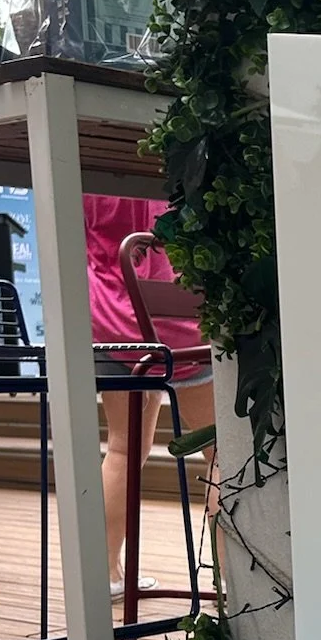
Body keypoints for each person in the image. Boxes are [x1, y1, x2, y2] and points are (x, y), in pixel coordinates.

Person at [85, 195, 216, 598]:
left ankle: (105, 575)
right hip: (175, 322)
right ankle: (233, 580)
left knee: (123, 450)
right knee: (221, 453)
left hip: (107, 318)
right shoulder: (170, 162)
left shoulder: (87, 167)